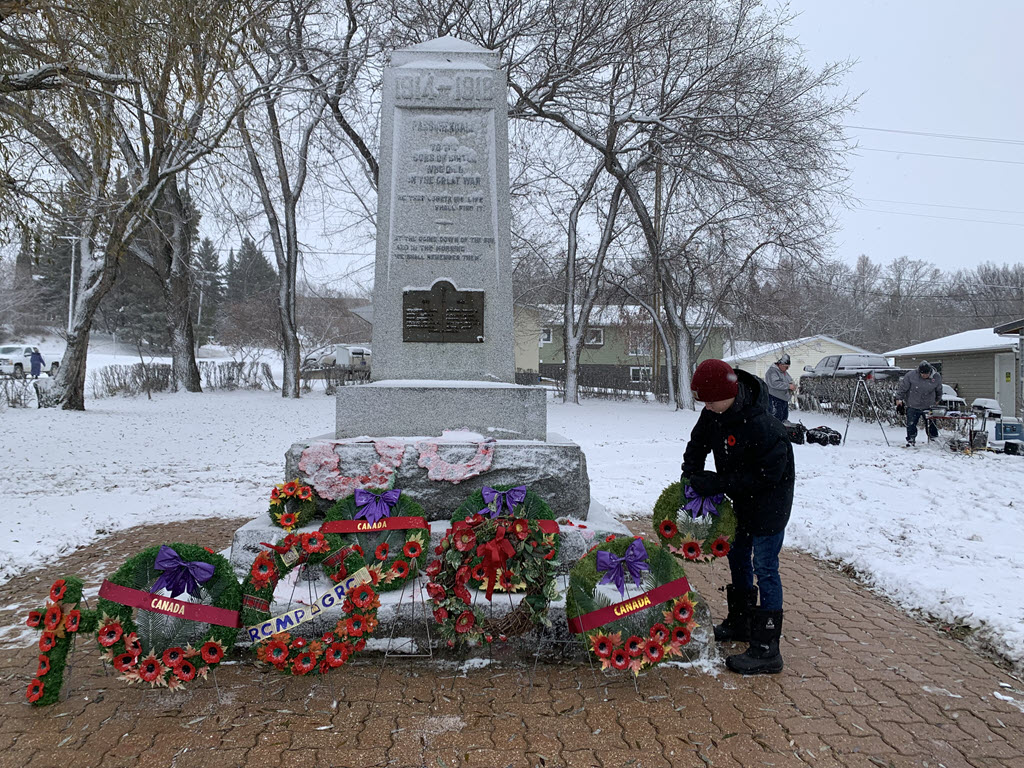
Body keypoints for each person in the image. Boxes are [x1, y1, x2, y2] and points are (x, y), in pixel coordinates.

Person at [682, 359, 795, 675]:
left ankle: (767, 649)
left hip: (770, 504)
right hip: (741, 501)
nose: (706, 405)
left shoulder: (765, 427)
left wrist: (717, 483)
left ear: (729, 392)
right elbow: (697, 445)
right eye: (702, 399)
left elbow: (766, 478)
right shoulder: (713, 415)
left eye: (710, 398)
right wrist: (690, 477)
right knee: (738, 557)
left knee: (765, 567)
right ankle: (741, 623)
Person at [896, 361, 943, 446]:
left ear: (930, 371)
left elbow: (939, 389)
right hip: (913, 404)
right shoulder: (911, 376)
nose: (924, 376)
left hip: (929, 405)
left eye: (926, 374)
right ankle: (911, 439)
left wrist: (938, 399)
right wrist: (899, 398)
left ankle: (933, 440)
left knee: (931, 424)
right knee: (911, 424)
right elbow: (903, 388)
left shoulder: (936, 377)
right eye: (922, 374)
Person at [764, 353, 796, 422]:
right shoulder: (772, 372)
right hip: (775, 399)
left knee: (784, 420)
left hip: (783, 400)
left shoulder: (783, 372)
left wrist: (792, 384)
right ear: (781, 365)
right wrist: (788, 386)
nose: (787, 369)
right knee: (776, 420)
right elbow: (774, 383)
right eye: (786, 367)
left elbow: (789, 380)